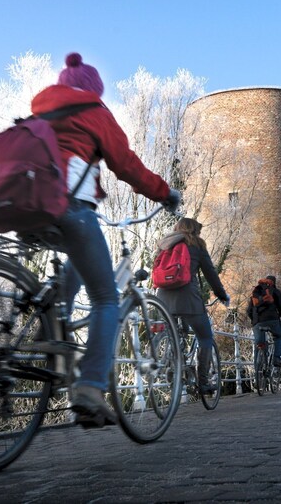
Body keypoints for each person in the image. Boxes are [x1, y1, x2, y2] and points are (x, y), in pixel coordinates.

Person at [34, 52, 181, 428]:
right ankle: (90, 389)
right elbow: (126, 164)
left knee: (76, 262)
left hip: (31, 205)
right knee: (104, 299)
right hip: (72, 208)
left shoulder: (41, 111)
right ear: (93, 90)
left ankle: (48, 326)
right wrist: (165, 193)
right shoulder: (94, 113)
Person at [154, 217, 230, 394]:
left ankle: (172, 363)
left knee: (172, 332)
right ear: (194, 230)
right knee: (205, 337)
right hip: (188, 299)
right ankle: (203, 383)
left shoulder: (164, 244)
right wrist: (222, 295)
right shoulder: (196, 244)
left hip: (163, 299)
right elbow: (211, 274)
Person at [247, 275, 281, 367]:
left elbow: (249, 310)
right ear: (274, 283)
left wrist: (254, 321)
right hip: (273, 320)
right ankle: (276, 358)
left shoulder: (256, 292)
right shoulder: (276, 292)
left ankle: (257, 368)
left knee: (259, 343)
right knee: (278, 336)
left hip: (258, 321)